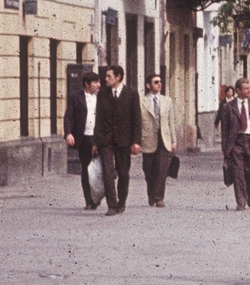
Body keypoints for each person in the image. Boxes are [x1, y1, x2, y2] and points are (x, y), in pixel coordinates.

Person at [95, 65, 142, 215]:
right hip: (106, 140)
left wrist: (136, 141)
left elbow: (136, 119)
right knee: (107, 172)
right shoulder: (102, 95)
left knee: (123, 173)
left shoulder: (131, 93)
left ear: (118, 77)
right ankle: (112, 205)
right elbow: (98, 120)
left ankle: (121, 202)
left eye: (109, 76)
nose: (105, 79)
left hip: (124, 140)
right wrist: (96, 142)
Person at [219, 77, 250, 210]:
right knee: (237, 172)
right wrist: (224, 147)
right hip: (236, 142)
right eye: (246, 88)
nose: (249, 90)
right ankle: (241, 201)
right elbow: (225, 127)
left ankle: (249, 192)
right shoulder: (228, 106)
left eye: (249, 88)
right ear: (238, 90)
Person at [63, 70, 103, 209]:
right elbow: (69, 116)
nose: (99, 85)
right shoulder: (76, 97)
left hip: (100, 138)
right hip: (84, 137)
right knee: (86, 168)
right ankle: (89, 200)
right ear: (87, 84)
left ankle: (100, 194)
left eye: (99, 82)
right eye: (95, 82)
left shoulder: (103, 97)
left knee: (104, 168)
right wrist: (68, 133)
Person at [140, 73, 175, 207]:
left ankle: (159, 197)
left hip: (164, 139)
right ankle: (151, 193)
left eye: (160, 81)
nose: (159, 84)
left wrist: (174, 141)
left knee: (162, 169)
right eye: (156, 82)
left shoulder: (167, 100)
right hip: (147, 139)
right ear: (148, 85)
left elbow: (171, 121)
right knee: (148, 169)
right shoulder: (141, 101)